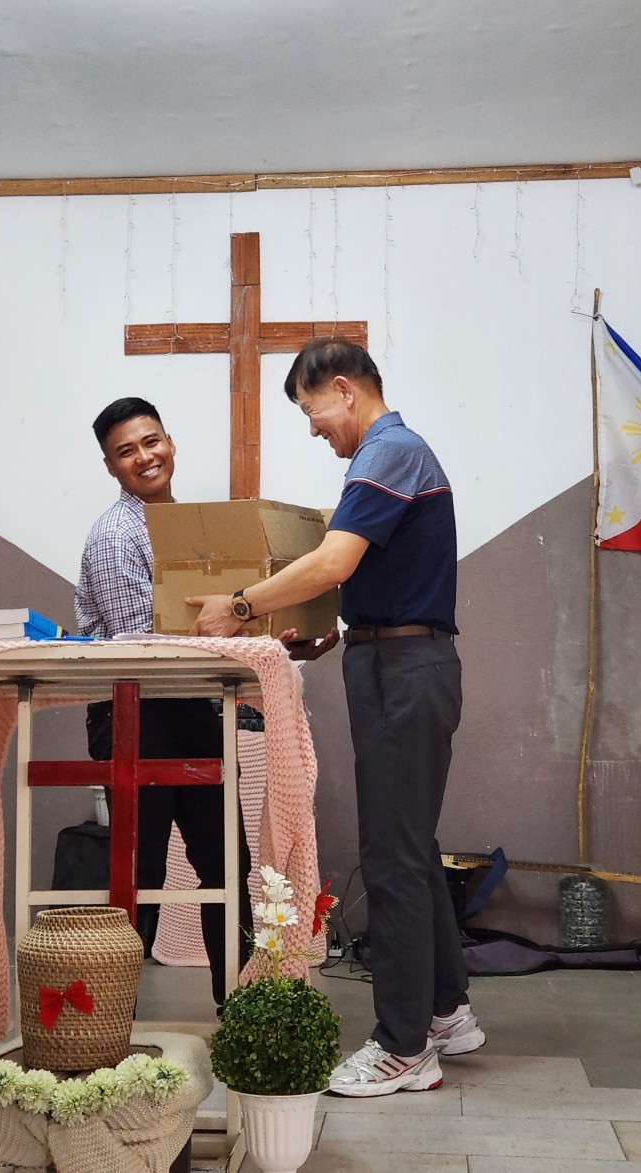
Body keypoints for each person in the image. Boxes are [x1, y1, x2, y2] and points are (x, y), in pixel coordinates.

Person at [188, 338, 484, 1096]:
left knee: (389, 854)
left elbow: (334, 560)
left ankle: (404, 1047)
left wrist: (242, 603)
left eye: (311, 410)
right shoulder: (392, 456)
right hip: (391, 657)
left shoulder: (389, 452)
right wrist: (332, 635)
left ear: (344, 389)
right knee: (409, 845)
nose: (314, 428)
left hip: (403, 672)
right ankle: (445, 1008)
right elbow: (372, 571)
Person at [75, 396, 252, 1007]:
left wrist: (255, 632)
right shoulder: (119, 534)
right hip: (135, 712)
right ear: (110, 466)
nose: (145, 458)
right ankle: (104, 1020)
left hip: (189, 707)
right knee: (139, 872)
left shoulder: (185, 527)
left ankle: (244, 1010)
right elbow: (137, 648)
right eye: (127, 452)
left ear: (169, 442)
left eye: (152, 442)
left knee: (227, 865)